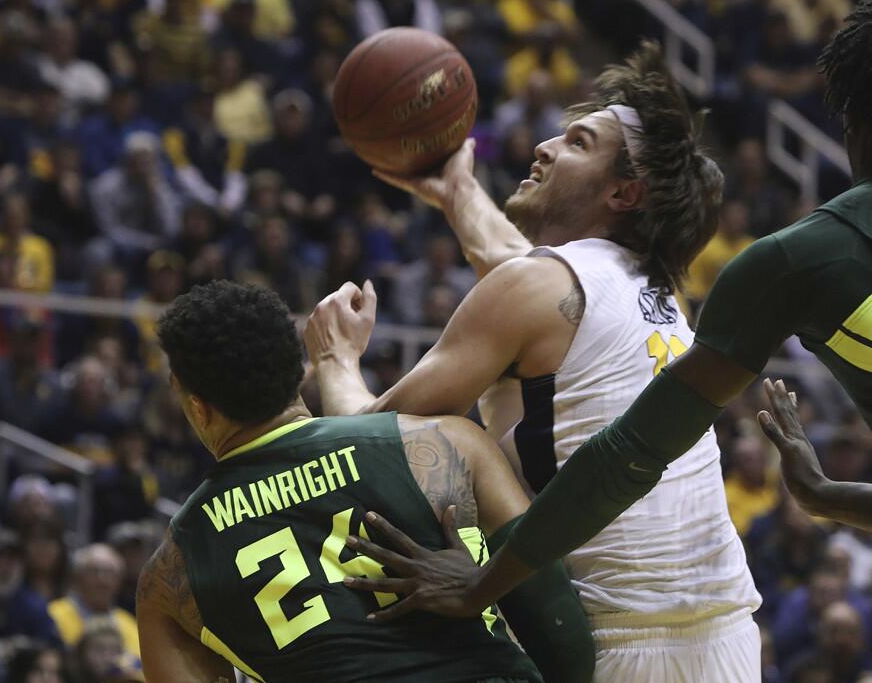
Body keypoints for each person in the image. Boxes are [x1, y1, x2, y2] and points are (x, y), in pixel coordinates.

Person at [341, 0, 872, 683]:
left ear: (848, 111)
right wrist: (828, 498)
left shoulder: (814, 247)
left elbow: (632, 452)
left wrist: (483, 583)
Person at [309, 41, 762, 681]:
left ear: (624, 192)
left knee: (454, 443)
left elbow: (369, 447)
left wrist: (336, 359)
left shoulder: (539, 286)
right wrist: (457, 190)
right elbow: (516, 264)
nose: (544, 146)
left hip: (622, 643)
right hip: (729, 634)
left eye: (577, 143)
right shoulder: (652, 290)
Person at [136, 281, 591, 683]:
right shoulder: (444, 443)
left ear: (198, 407)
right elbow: (563, 637)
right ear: (298, 370)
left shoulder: (170, 572)